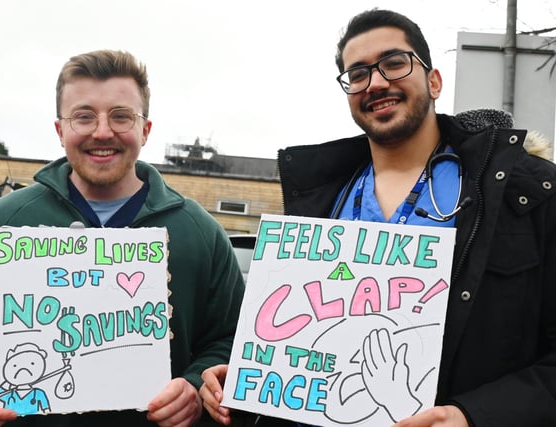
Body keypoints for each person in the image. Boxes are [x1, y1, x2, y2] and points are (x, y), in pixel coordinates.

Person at [200, 8, 556, 427]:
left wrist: (472, 417)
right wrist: (243, 379)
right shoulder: (318, 203)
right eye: (358, 74)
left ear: (434, 80)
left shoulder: (527, 193)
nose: (377, 82)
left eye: (394, 63)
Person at [0, 49, 245, 427]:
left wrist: (194, 389)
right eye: (83, 116)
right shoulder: (4, 224)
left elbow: (230, 341)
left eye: (121, 116)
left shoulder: (200, 234)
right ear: (60, 130)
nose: (102, 131)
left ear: (146, 130)